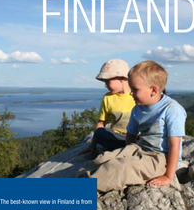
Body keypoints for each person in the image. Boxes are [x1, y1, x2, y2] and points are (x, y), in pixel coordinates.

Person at [76, 60, 187, 192]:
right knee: (103, 159)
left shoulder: (172, 109)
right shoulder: (138, 108)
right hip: (140, 149)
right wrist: (127, 153)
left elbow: (175, 145)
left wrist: (168, 176)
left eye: (135, 89)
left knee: (119, 168)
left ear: (153, 90)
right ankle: (80, 177)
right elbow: (131, 135)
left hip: (160, 158)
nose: (131, 93)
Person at [83, 59, 135, 153]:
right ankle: (125, 148)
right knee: (100, 132)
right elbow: (101, 123)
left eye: (107, 81)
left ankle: (127, 148)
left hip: (136, 137)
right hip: (117, 137)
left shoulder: (136, 95)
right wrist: (92, 145)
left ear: (121, 78)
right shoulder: (108, 97)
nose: (105, 86)